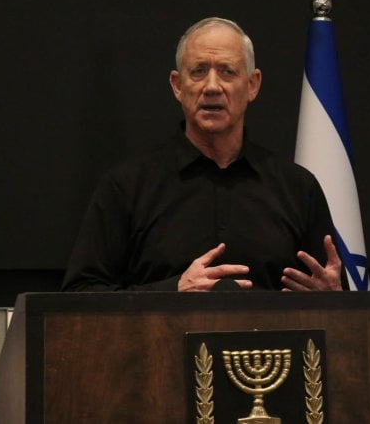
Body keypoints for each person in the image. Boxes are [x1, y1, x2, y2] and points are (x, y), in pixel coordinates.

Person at [61, 17, 344, 292]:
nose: (211, 87)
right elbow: (79, 294)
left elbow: (331, 298)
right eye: (198, 71)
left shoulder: (297, 188)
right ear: (177, 86)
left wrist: (333, 300)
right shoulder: (126, 187)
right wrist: (174, 291)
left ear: (253, 85)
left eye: (227, 71)